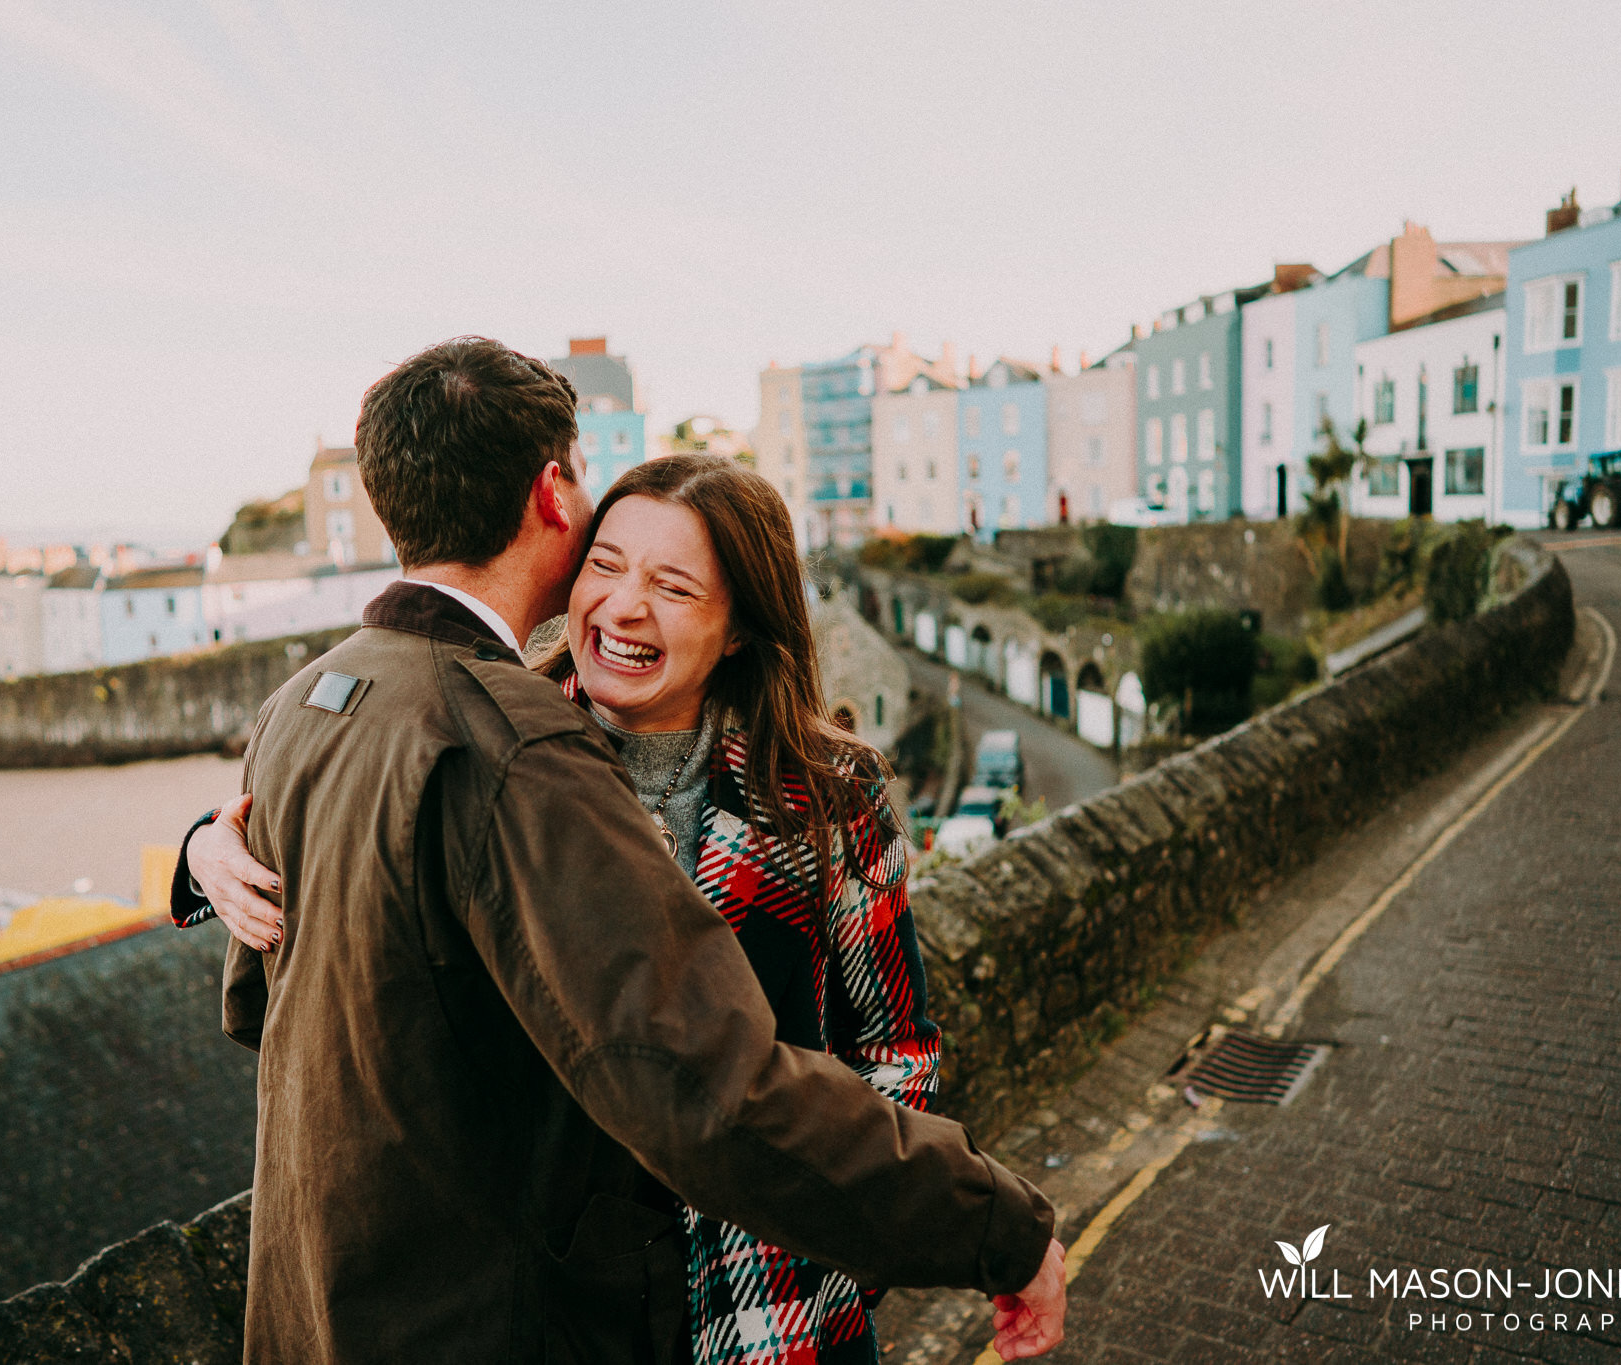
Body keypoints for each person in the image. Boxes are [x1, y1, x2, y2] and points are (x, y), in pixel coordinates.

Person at [173, 337, 1066, 1364]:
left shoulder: (319, 700)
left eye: (675, 586)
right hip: (579, 1312)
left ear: (739, 625)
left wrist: (839, 1254)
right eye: (605, 560)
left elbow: (891, 1047)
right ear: (557, 495)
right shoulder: (514, 746)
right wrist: (992, 1227)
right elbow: (686, 1083)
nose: (625, 603)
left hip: (763, 1301)